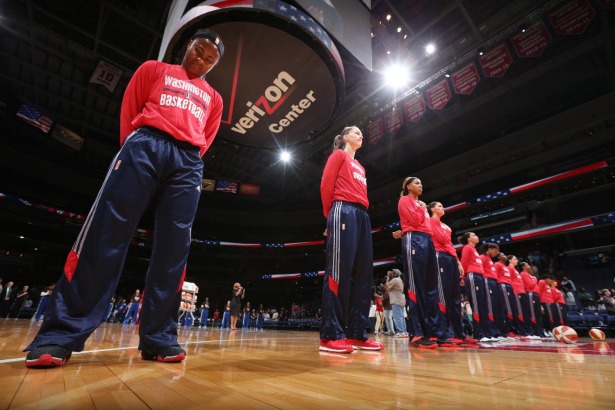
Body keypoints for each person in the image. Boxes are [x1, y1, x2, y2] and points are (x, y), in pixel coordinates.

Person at [23, 29, 225, 368]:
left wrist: (185, 156)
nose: (201, 60)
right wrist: (134, 148)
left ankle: (159, 337)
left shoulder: (214, 98)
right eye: (198, 50)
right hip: (145, 144)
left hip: (188, 161)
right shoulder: (153, 69)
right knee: (106, 234)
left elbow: (207, 137)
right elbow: (130, 110)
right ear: (187, 45)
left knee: (175, 249)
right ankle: (59, 335)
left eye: (210, 59)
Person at [319, 126, 383, 354]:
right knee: (339, 271)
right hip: (342, 209)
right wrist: (330, 218)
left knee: (364, 275)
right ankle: (331, 336)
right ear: (345, 137)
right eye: (355, 132)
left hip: (362, 215)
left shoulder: (361, 167)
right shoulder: (338, 156)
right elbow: (326, 186)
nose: (360, 135)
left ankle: (357, 332)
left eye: (361, 133)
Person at [399, 177, 452, 348]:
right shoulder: (405, 200)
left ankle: (434, 332)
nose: (421, 185)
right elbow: (414, 221)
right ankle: (417, 334)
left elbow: (425, 225)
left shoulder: (420, 204)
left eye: (422, 183)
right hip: (413, 239)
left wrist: (422, 209)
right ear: (408, 186)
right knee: (416, 287)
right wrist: (422, 209)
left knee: (431, 288)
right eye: (417, 183)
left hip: (427, 240)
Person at [428, 201, 477, 345]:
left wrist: (458, 262)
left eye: (443, 206)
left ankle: (459, 333)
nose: (442, 208)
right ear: (432, 209)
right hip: (439, 256)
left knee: (455, 298)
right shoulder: (431, 221)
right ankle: (444, 333)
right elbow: (442, 240)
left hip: (451, 258)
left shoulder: (446, 226)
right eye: (439, 206)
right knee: (443, 295)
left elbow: (449, 244)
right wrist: (447, 234)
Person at [459, 232, 491, 343]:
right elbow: (463, 263)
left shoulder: (475, 250)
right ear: (468, 239)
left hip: (480, 277)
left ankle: (486, 332)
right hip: (472, 276)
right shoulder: (467, 248)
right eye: (473, 235)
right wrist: (462, 277)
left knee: (482, 305)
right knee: (476, 305)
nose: (476, 236)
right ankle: (479, 334)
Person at [386, 269, 408, 338]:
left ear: (396, 274)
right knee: (401, 317)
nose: (391, 273)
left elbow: (386, 287)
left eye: (393, 272)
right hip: (401, 299)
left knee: (397, 317)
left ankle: (401, 332)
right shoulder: (400, 280)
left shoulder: (395, 280)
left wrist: (388, 277)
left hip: (396, 300)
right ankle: (404, 331)